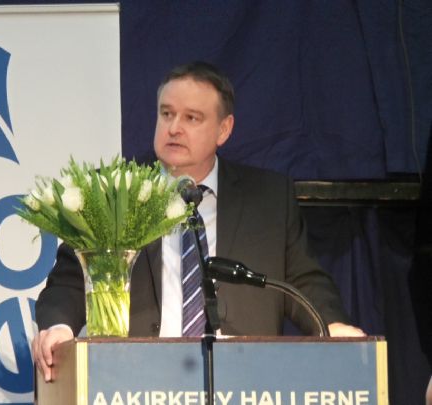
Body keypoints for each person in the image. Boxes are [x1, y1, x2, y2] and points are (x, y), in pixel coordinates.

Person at [32, 61, 365, 381]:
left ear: (224, 129)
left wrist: (331, 324)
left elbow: (303, 281)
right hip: (135, 379)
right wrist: (58, 327)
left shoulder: (268, 199)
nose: (174, 128)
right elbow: (69, 281)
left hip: (243, 379)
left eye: (191, 117)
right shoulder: (113, 193)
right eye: (167, 114)